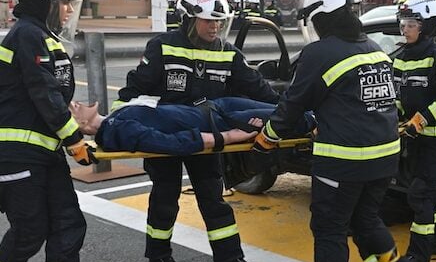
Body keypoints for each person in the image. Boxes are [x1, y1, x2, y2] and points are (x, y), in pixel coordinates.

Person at [252, 0, 426, 262]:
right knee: (366, 221)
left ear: (324, 16)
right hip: (384, 158)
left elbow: (291, 105)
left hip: (345, 161)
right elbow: (379, 103)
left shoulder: (320, 53)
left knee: (329, 228)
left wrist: (265, 141)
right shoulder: (375, 50)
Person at [114, 0, 281, 262]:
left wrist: (288, 110)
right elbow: (134, 91)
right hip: (169, 133)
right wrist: (125, 123)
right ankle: (159, 255)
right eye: (207, 21)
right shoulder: (162, 47)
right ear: (189, 18)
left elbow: (258, 89)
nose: (214, 27)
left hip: (206, 134)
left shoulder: (228, 53)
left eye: (219, 21)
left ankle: (229, 261)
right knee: (165, 193)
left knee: (213, 196)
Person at [0, 0, 102, 262]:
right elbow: (43, 94)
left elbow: (50, 96)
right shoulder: (27, 35)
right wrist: (75, 142)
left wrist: (74, 117)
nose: (66, 12)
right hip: (17, 154)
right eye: (63, 3)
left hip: (44, 152)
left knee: (68, 224)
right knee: (29, 230)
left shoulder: (42, 39)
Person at [393, 0, 436, 262]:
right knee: (425, 191)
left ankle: (419, 258)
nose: (405, 29)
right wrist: (394, 120)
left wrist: (416, 122)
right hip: (414, 135)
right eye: (403, 23)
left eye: (411, 24)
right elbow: (397, 97)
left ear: (427, 26)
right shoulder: (399, 57)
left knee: (420, 194)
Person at [71, 97, 315, 156]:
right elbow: (170, 143)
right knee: (292, 117)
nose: (76, 102)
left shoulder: (116, 116)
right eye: (72, 108)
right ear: (82, 124)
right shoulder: (116, 131)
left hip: (217, 107)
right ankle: (323, 123)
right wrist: (229, 136)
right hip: (220, 122)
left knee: (284, 105)